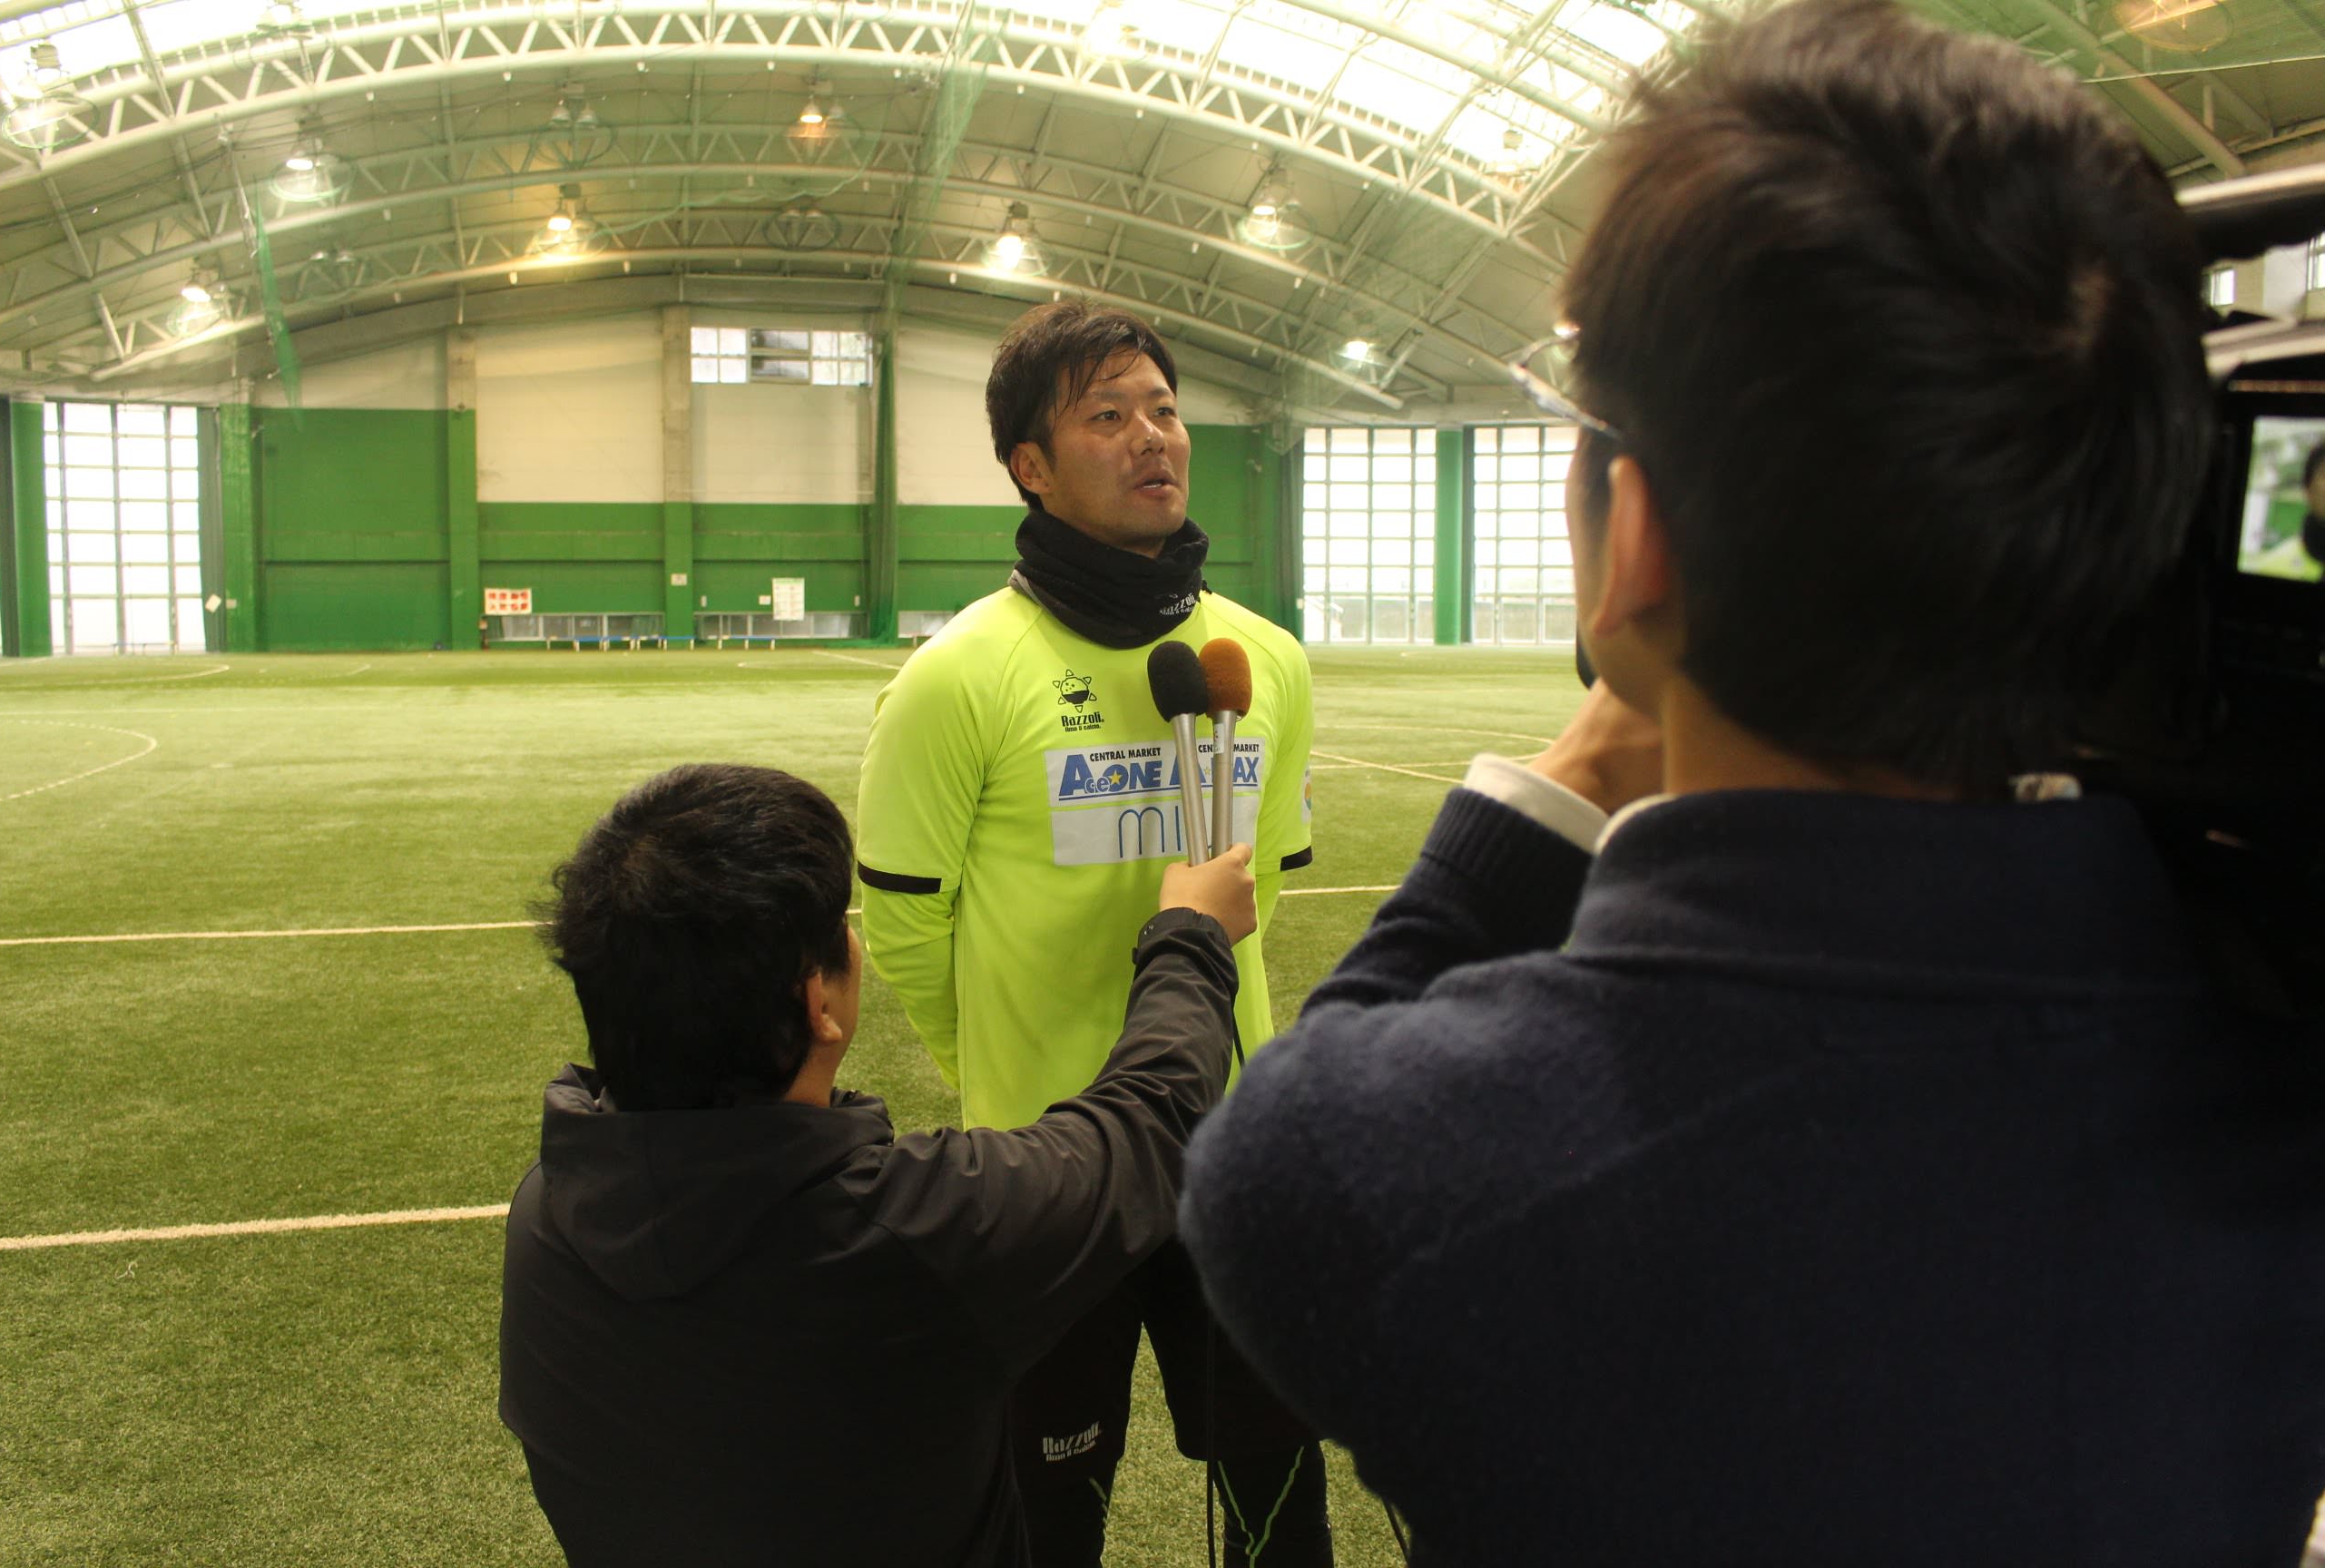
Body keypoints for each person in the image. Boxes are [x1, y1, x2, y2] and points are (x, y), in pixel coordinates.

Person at [1180, 4, 2325, 1564]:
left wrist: (1578, 757)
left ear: (1636, 537)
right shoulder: (2254, 1053)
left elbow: (1286, 1127)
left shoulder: (1377, 1168)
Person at [497, 761, 1260, 1568]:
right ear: (817, 1004)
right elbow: (1149, 1124)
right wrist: (1191, 935)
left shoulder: (548, 1217)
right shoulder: (912, 1235)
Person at [856, 300, 1328, 1565]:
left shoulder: (1265, 660)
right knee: (1044, 1512)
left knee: (1279, 1502)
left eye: (1163, 409)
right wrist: (1009, 1076)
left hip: (1232, 1151)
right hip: (1045, 1174)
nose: (1151, 438)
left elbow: (1258, 892)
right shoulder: (956, 678)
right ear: (1031, 464)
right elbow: (906, 931)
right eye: (1107, 417)